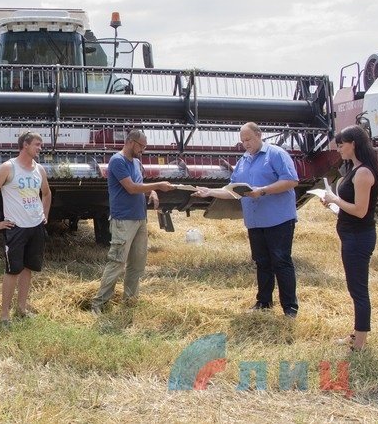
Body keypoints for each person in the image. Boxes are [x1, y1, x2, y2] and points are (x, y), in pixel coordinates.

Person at [194, 122, 299, 317]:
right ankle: (264, 302)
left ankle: (290, 308)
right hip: (255, 221)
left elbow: (291, 180)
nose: (246, 144)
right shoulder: (243, 160)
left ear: (259, 135)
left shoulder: (275, 154)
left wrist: (263, 190)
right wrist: (209, 192)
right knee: (261, 262)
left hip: (278, 219)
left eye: (249, 139)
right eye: (243, 141)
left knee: (281, 261)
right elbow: (232, 190)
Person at [89, 130, 174, 315]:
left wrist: (150, 192)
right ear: (130, 142)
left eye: (145, 146)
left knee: (137, 263)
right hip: (123, 220)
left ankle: (130, 300)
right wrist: (158, 185)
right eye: (141, 146)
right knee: (117, 262)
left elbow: (139, 185)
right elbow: (131, 187)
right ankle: (99, 303)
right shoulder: (117, 161)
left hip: (139, 218)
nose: (143, 150)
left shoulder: (136, 162)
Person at [322, 125, 378, 351]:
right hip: (351, 234)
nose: (338, 149)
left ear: (353, 144)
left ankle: (360, 343)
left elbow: (360, 210)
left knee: (358, 289)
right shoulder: (353, 169)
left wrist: (335, 200)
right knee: (354, 287)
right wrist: (332, 202)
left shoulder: (364, 173)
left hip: (359, 236)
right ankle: (357, 333)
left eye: (341, 144)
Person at [0, 131, 52, 326]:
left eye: (41, 145)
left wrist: (44, 214)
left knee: (28, 268)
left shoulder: (39, 169)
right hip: (16, 228)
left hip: (35, 226)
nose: (40, 148)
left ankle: (21, 308)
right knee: (13, 271)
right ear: (25, 145)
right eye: (37, 144)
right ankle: (4, 315)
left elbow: (46, 194)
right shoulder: (8, 167)